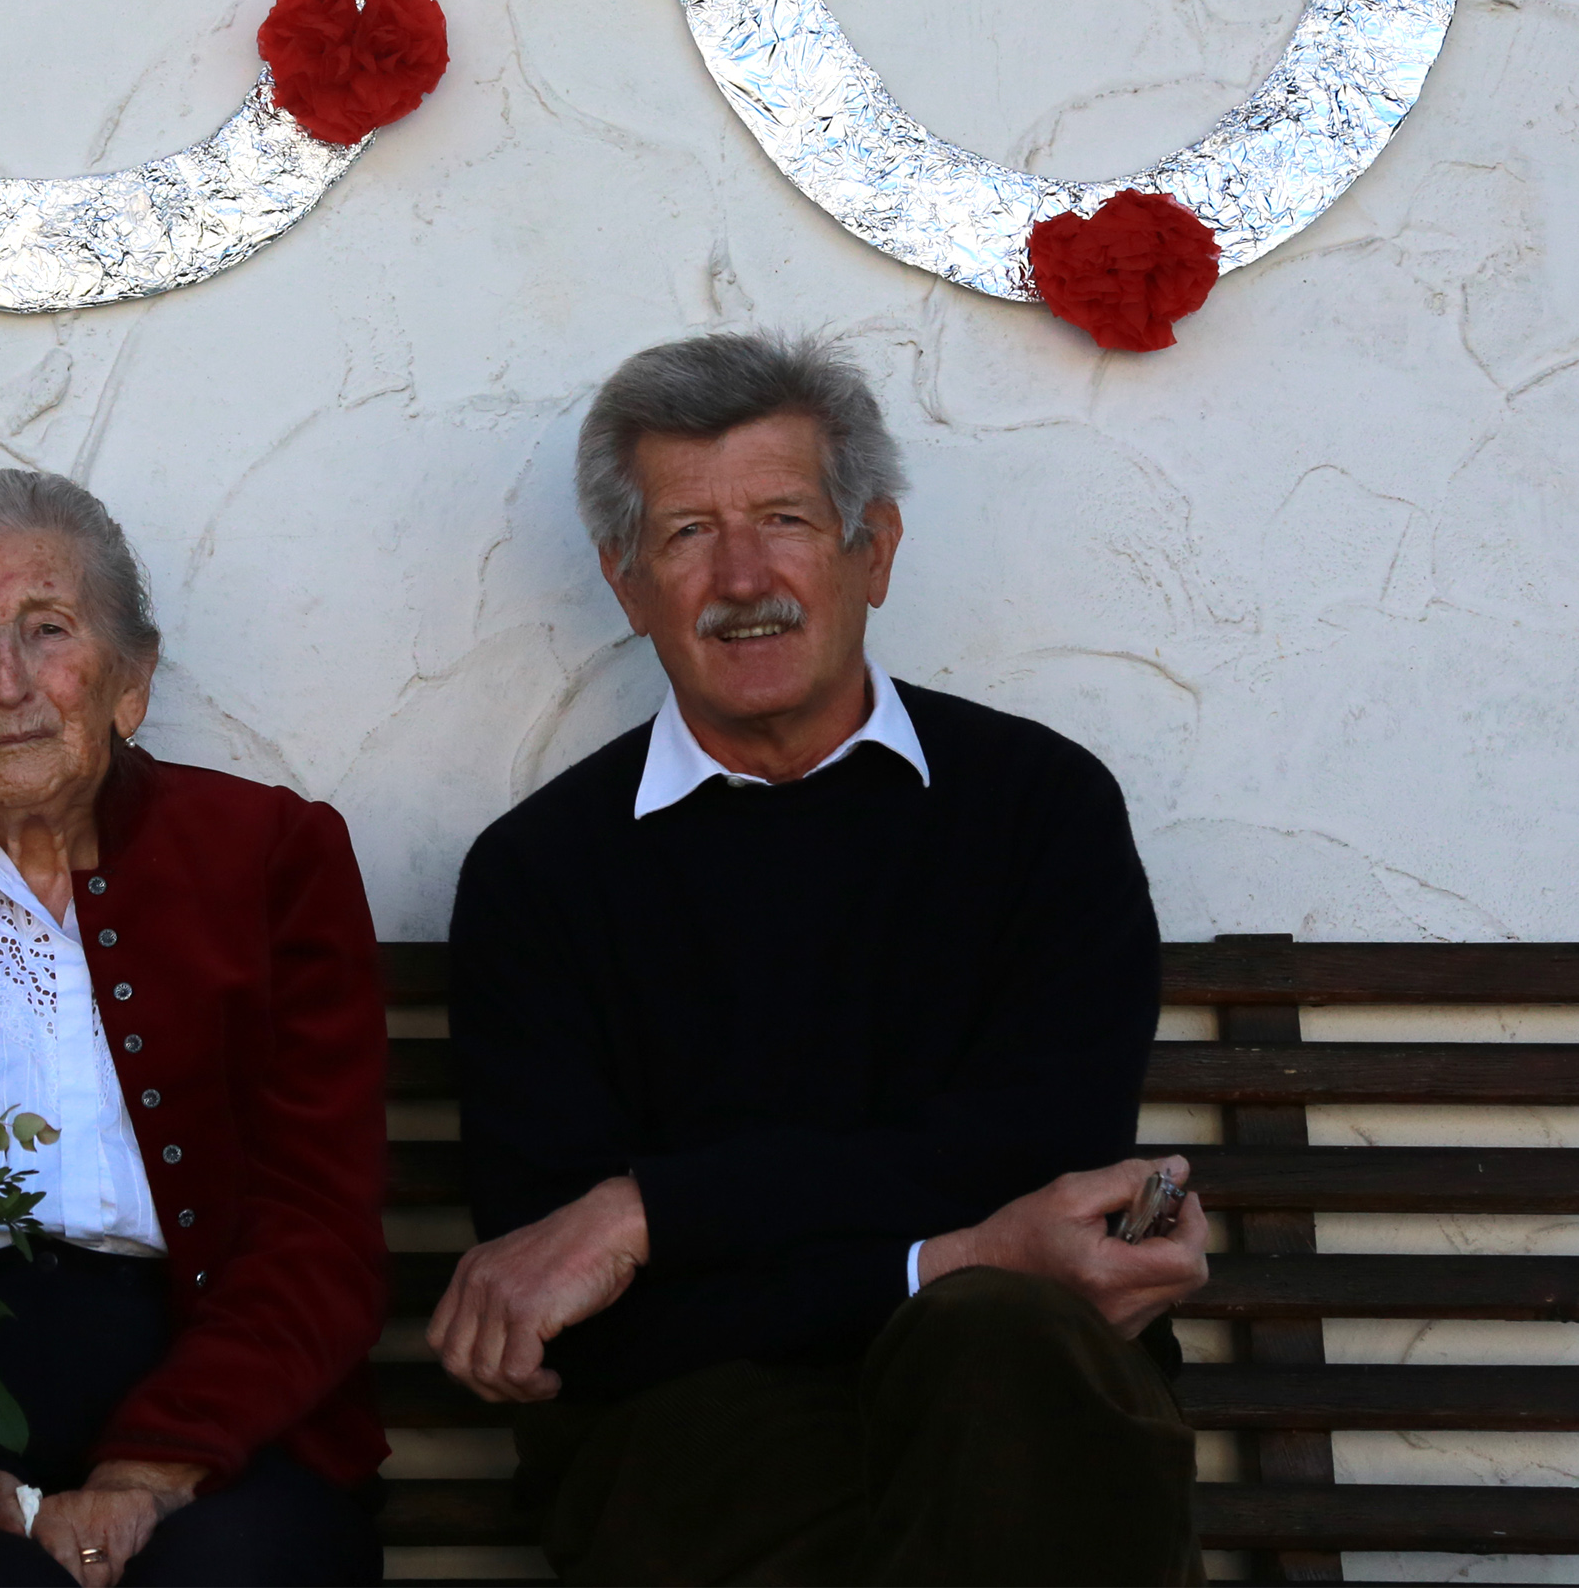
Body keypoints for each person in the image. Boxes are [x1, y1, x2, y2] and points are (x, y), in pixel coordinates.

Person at [437, 331, 1208, 1586]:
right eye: (686, 533)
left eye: (785, 516)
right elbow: (573, 1303)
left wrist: (657, 1209)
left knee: (1005, 1349)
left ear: (874, 550)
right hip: (696, 1422)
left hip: (1019, 1401)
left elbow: (1034, 1154)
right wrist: (954, 1243)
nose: (744, 576)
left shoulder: (1034, 808)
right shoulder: (540, 876)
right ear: (626, 582)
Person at [0, 470, 388, 1588]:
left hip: (221, 1387)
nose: (7, 683)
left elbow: (318, 1217)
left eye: (47, 629)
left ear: (129, 676)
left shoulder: (269, 851)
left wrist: (155, 1462)